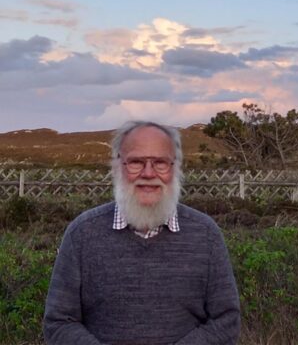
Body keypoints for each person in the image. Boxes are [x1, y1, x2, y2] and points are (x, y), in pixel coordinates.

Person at [43, 121, 241, 345]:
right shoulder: (82, 234)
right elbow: (59, 322)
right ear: (117, 166)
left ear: (175, 168)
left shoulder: (206, 235)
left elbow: (227, 320)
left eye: (160, 163)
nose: (148, 173)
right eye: (136, 162)